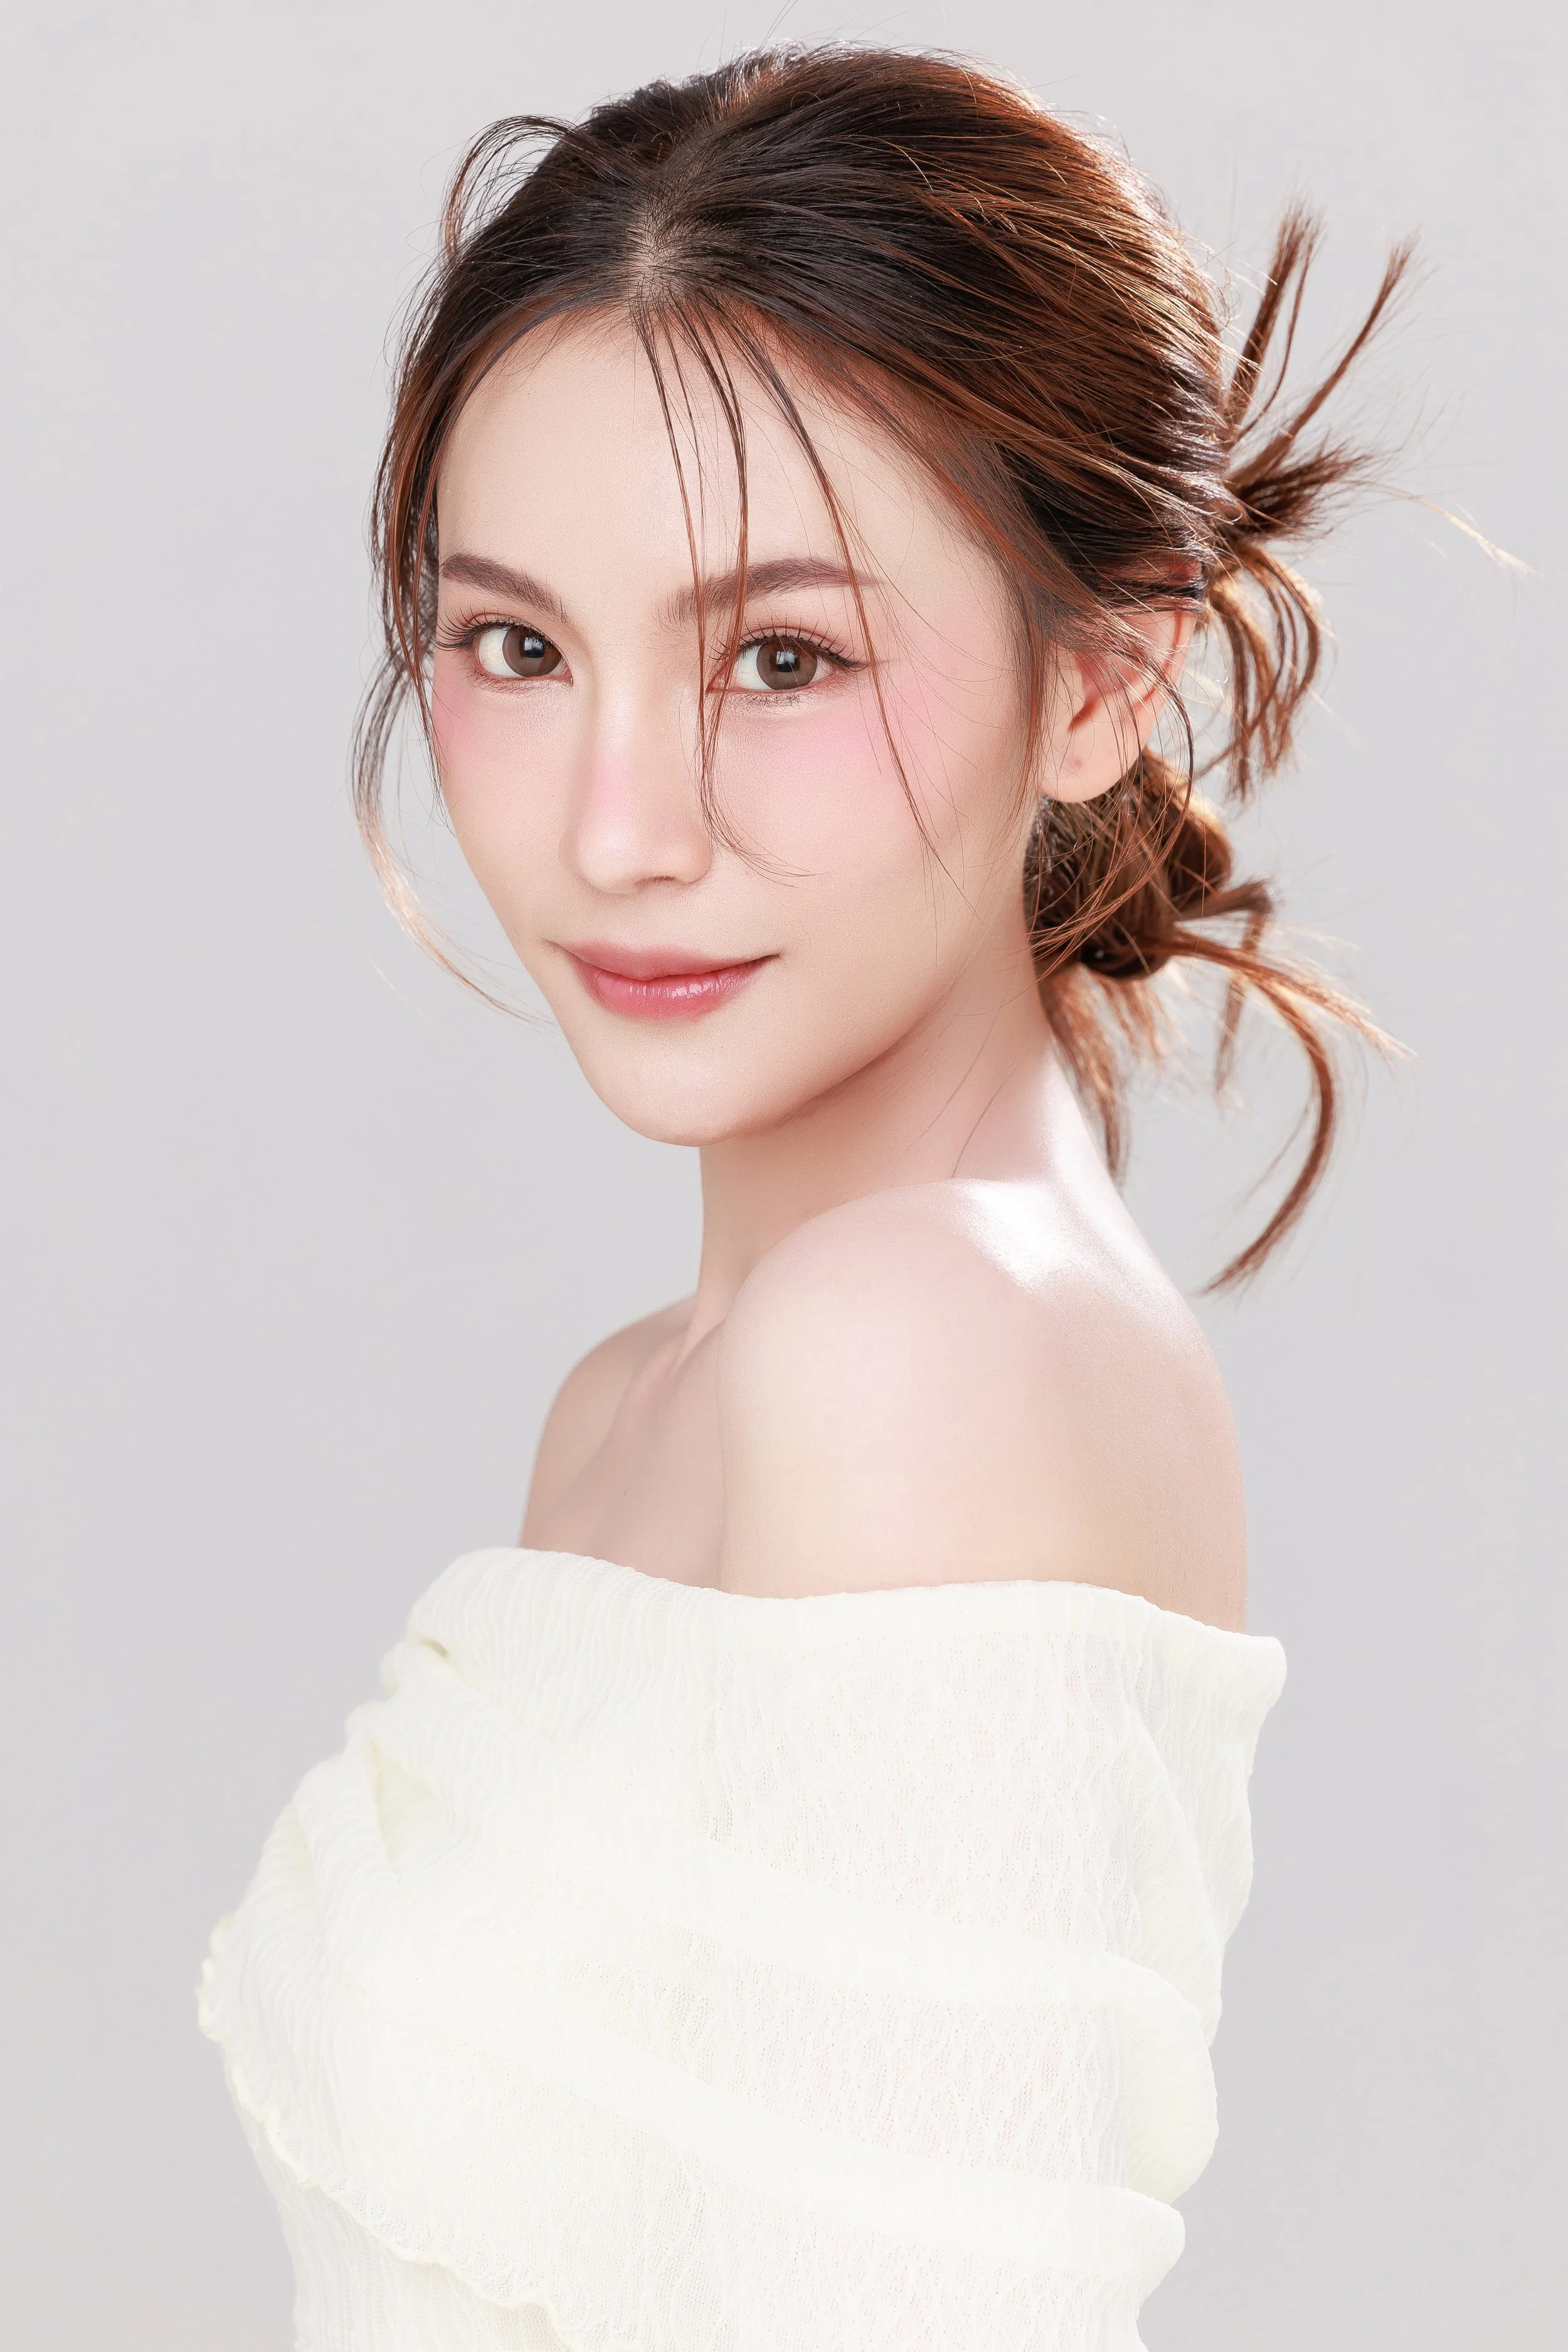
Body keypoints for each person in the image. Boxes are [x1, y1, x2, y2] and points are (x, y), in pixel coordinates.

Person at [200, 45, 1404, 2349]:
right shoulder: (653, 1399)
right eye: (516, 646)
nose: (616, 822)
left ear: (1103, 674)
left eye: (782, 655)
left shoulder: (913, 1350)